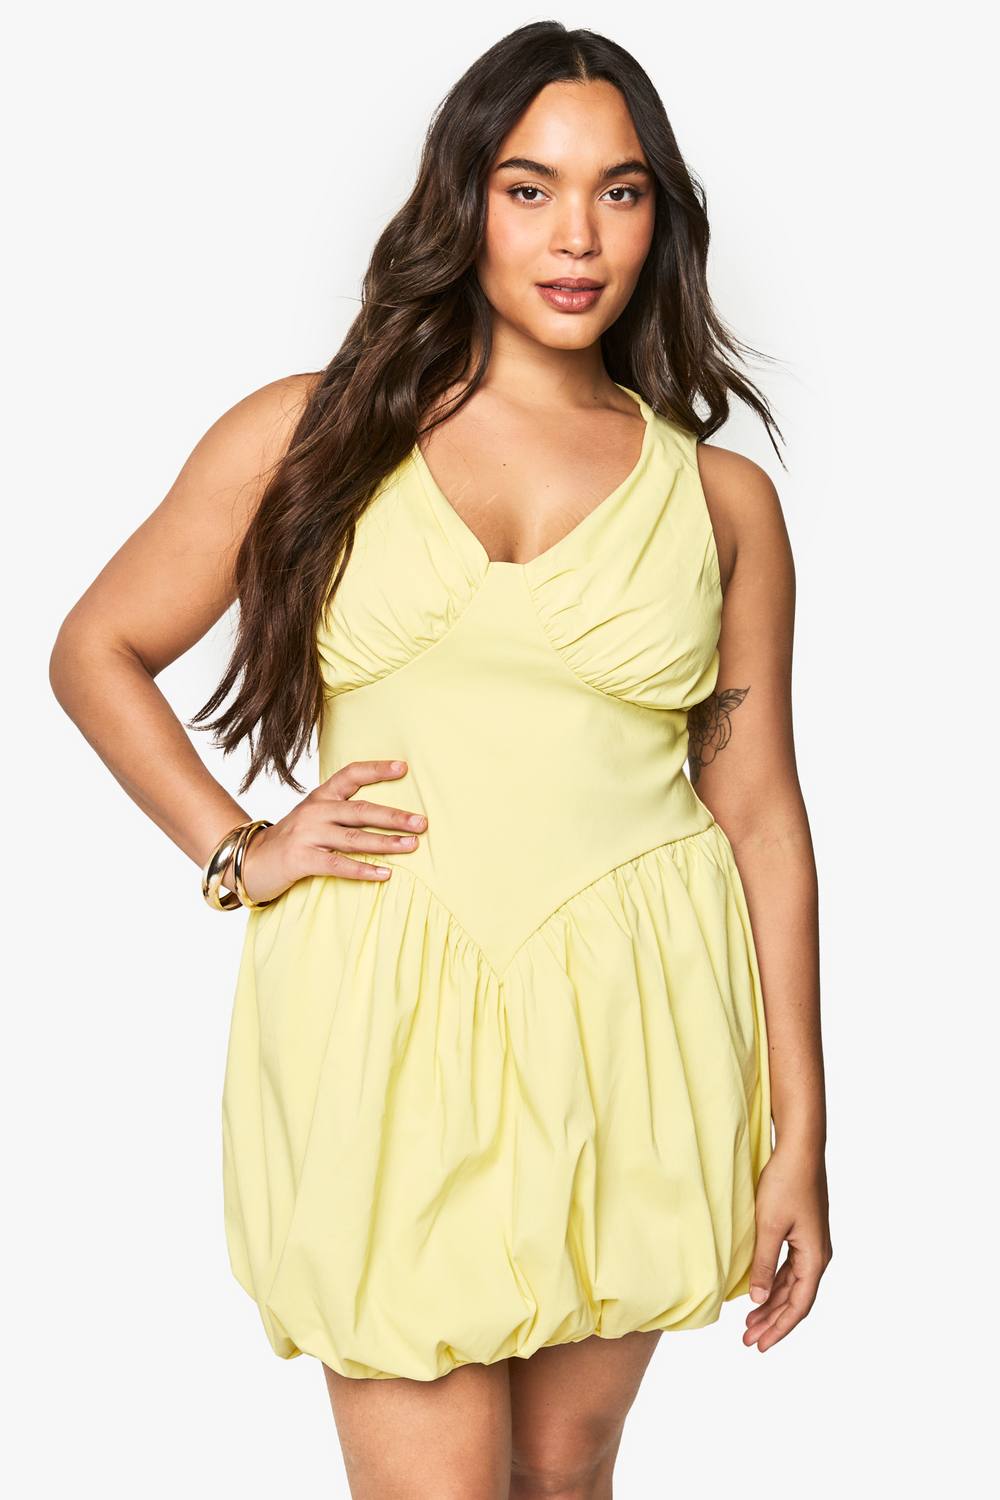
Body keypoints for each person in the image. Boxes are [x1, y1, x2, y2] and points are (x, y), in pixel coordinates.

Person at [50, 20, 831, 1499]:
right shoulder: (312, 434)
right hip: (387, 1009)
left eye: (620, 191)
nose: (577, 235)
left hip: (639, 1011)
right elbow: (98, 649)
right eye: (529, 188)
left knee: (565, 1474)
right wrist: (239, 849)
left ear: (661, 218)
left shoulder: (721, 501)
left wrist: (803, 1132)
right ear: (461, 199)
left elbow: (761, 815)